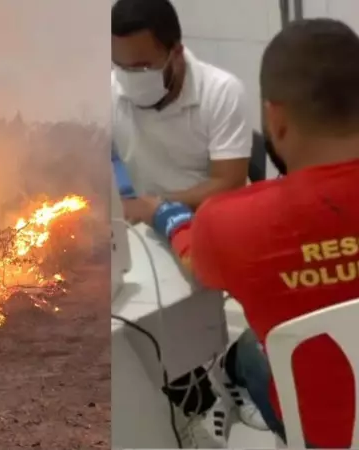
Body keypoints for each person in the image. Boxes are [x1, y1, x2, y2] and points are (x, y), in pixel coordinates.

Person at [129, 18, 359, 448]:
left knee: (248, 350)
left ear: (276, 119)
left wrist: (167, 215)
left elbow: (195, 263)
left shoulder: (230, 223)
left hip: (324, 437)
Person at [111, 0, 252, 224]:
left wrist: (156, 205)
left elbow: (229, 183)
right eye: (120, 65)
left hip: (215, 221)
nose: (129, 77)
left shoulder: (220, 91)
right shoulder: (112, 91)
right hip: (151, 224)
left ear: (176, 53)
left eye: (142, 67)